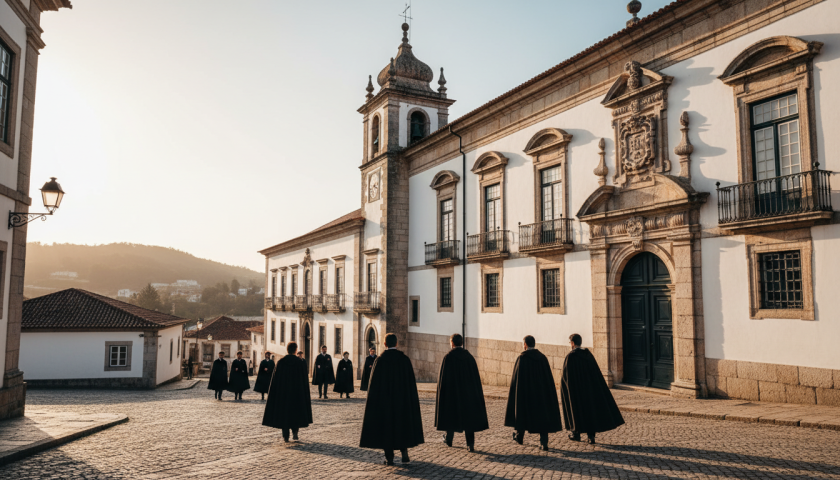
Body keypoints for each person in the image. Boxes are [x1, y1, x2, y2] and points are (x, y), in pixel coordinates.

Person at [359, 333, 424, 466]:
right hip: (402, 401)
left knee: (386, 426)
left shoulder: (380, 361)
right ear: (396, 343)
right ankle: (404, 452)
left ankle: (389, 458)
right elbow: (410, 384)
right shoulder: (404, 360)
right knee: (402, 424)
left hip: (384, 402)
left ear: (384, 344)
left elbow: (374, 386)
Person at [561, 333, 625, 445]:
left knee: (576, 411)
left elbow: (566, 377)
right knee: (590, 412)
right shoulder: (588, 355)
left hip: (577, 391)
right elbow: (595, 373)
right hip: (589, 390)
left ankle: (576, 434)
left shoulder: (571, 357)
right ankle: (591, 437)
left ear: (572, 343)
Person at [504, 335, 562, 451]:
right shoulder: (542, 358)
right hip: (540, 393)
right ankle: (544, 442)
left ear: (525, 344)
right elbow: (547, 378)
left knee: (522, 412)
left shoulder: (522, 358)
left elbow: (517, 379)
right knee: (542, 415)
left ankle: (519, 436)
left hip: (526, 393)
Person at [435, 333, 488, 452]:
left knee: (450, 414)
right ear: (461, 343)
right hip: (467, 393)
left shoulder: (448, 358)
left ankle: (449, 439)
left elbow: (443, 379)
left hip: (452, 393)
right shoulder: (469, 357)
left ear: (452, 343)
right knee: (469, 418)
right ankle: (470, 444)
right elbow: (474, 378)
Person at [262, 342, 313, 442]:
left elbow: (275, 380)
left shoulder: (281, 362)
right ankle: (295, 432)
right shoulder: (300, 362)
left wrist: (275, 393)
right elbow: (304, 380)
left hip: (283, 394)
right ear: (296, 350)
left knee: (284, 413)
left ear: (287, 350)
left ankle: (285, 435)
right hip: (297, 393)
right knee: (296, 412)